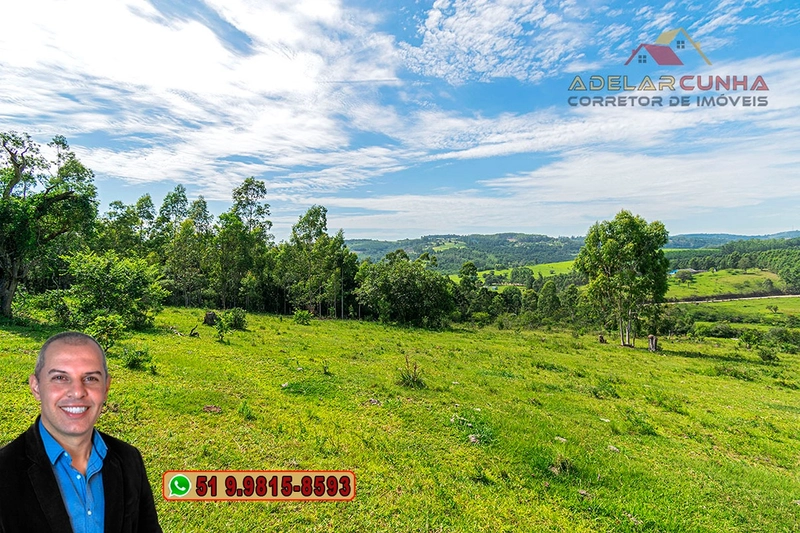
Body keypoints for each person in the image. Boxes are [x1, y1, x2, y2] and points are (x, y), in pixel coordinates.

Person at [0, 331, 162, 533]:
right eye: (60, 377)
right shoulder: (4, 471)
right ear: (36, 387)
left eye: (91, 378)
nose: (77, 392)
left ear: (106, 387)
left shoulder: (129, 459)